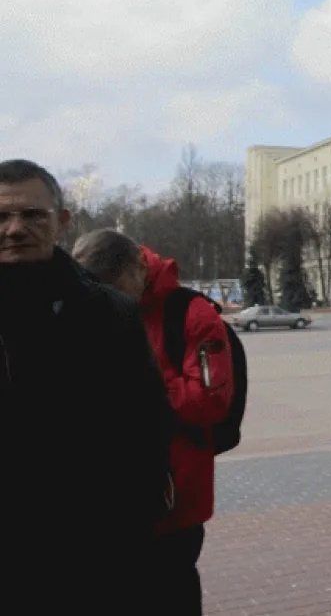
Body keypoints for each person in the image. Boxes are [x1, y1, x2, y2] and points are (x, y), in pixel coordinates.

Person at [0, 159, 172, 610]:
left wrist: (129, 526)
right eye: (1, 216)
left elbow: (147, 427)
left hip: (88, 555)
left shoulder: (109, 312)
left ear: (61, 222)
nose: (15, 228)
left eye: (32, 215)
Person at [72, 229, 235, 616]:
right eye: (102, 289)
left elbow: (210, 401)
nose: (113, 299)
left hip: (174, 499)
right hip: (108, 496)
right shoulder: (88, 304)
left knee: (170, 591)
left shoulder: (191, 314)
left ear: (139, 267)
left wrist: (139, 383)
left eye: (117, 287)